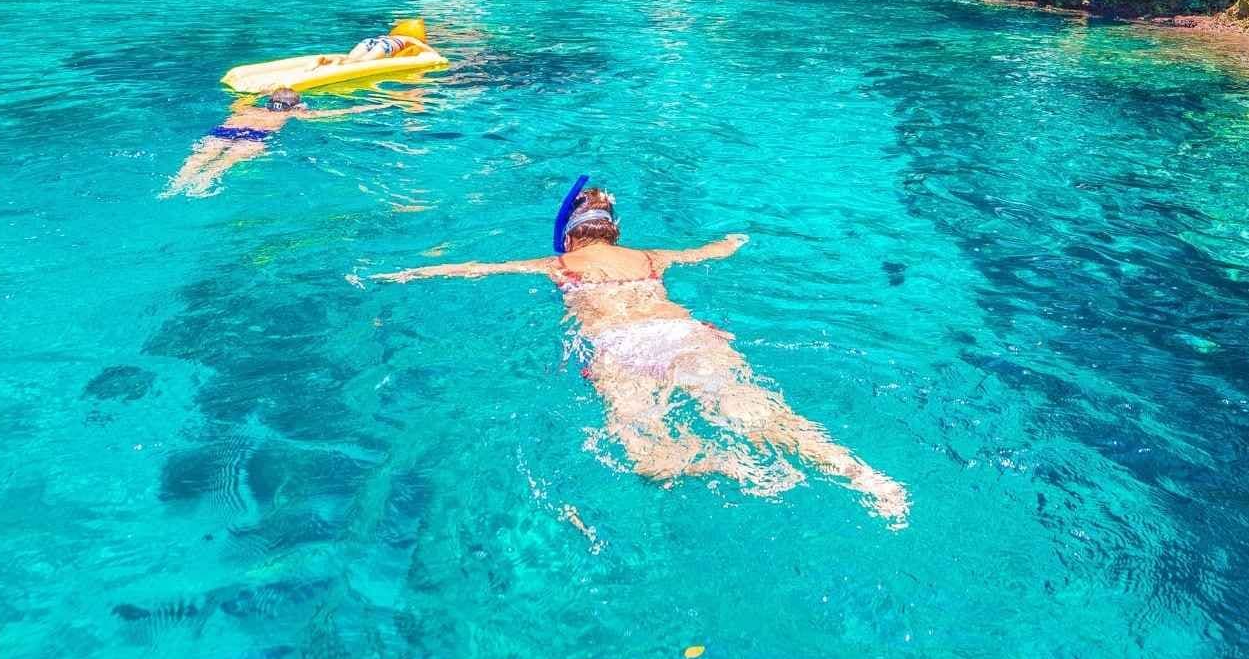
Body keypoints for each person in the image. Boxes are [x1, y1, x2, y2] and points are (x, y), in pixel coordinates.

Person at [375, 181, 909, 525]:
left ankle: (723, 464)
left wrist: (406, 272)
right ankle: (868, 479)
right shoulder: (651, 257)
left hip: (618, 350)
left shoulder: (557, 266)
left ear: (570, 240)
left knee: (646, 457)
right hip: (681, 336)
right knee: (764, 414)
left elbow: (474, 271)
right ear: (615, 231)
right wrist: (737, 238)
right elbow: (710, 252)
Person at [163, 87, 395, 197]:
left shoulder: (245, 107)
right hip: (255, 137)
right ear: (295, 105)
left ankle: (174, 185)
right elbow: (337, 114)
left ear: (270, 100)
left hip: (224, 131)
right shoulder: (291, 114)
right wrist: (379, 105)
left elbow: (239, 97)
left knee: (195, 160)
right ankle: (201, 185)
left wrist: (261, 92)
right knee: (222, 165)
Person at [345, 18, 430, 62]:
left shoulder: (392, 36)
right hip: (387, 45)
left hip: (371, 40)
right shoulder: (409, 38)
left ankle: (334, 61)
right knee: (362, 62)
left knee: (348, 60)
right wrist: (437, 56)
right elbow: (422, 46)